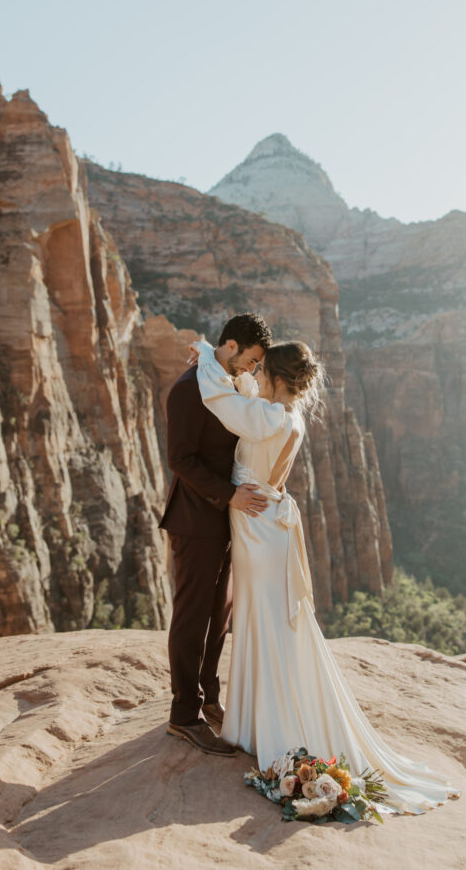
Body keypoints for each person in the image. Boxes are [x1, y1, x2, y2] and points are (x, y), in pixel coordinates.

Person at [190, 337, 461, 814]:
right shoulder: (285, 413)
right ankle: (258, 721)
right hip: (266, 521)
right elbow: (247, 396)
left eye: (261, 369)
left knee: (265, 621)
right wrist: (235, 369)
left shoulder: (269, 417)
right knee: (264, 619)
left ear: (274, 376)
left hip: (256, 526)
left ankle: (269, 727)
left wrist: (210, 359)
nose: (256, 374)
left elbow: (225, 405)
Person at [160, 312, 272, 757]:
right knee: (191, 617)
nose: (253, 369)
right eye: (251, 359)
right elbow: (180, 460)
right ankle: (183, 715)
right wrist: (229, 496)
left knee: (219, 615)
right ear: (230, 346)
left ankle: (209, 699)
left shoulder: (224, 380)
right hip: (195, 522)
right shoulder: (190, 390)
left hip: (228, 523)